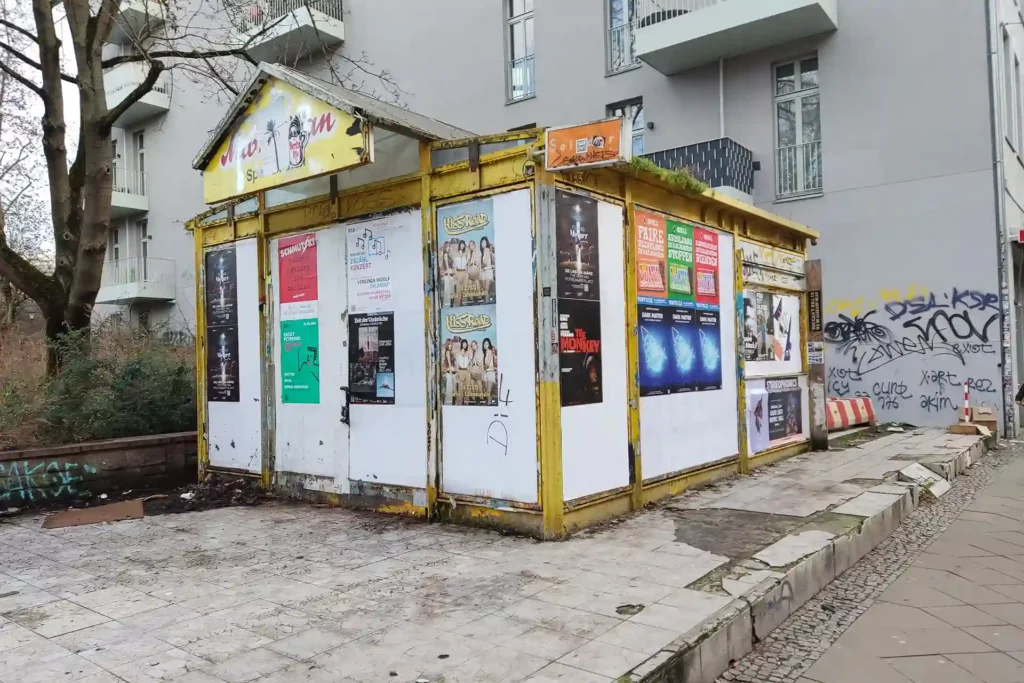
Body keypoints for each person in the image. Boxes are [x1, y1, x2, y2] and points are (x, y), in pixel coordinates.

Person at [455, 338, 471, 405]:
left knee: (467, 388)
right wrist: (459, 374)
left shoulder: (468, 353)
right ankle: (459, 403)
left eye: (466, 343)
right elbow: (456, 366)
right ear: (461, 344)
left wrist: (469, 371)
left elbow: (469, 364)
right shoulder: (458, 354)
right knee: (460, 389)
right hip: (461, 371)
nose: (464, 344)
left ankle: (466, 403)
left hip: (467, 372)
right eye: (463, 343)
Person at [480, 237, 495, 302]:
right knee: (486, 290)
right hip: (484, 271)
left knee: (486, 289)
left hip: (488, 270)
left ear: (487, 243)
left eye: (484, 242)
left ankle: (486, 302)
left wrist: (480, 267)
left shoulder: (486, 249)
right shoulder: (482, 251)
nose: (483, 244)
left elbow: (485, 262)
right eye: (482, 242)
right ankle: (487, 301)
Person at [454, 241, 468, 306]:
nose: (462, 245)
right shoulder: (455, 253)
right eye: (461, 244)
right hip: (458, 272)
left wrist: (466, 272)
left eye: (463, 244)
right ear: (459, 245)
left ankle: (464, 304)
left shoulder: (465, 253)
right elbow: (454, 265)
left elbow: (467, 264)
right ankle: (457, 305)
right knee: (458, 290)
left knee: (465, 290)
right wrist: (455, 274)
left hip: (465, 273)